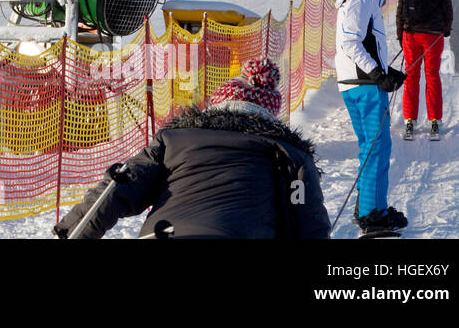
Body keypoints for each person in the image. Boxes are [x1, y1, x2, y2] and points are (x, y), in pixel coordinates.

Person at [53, 58, 329, 238]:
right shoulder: (290, 156)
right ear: (270, 114)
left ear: (216, 104)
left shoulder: (173, 140)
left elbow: (117, 190)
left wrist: (71, 233)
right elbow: (309, 224)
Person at [334, 0, 407, 233]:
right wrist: (377, 75)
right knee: (377, 147)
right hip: (363, 85)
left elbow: (366, 47)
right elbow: (350, 43)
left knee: (372, 147)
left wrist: (386, 71)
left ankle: (371, 206)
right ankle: (372, 214)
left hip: (360, 81)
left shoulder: (365, 0)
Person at [396, 0, 451, 140]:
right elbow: (448, 10)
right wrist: (446, 30)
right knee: (432, 76)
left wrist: (400, 37)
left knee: (411, 77)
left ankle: (409, 120)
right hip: (433, 38)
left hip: (411, 35)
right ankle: (435, 120)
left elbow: (400, 12)